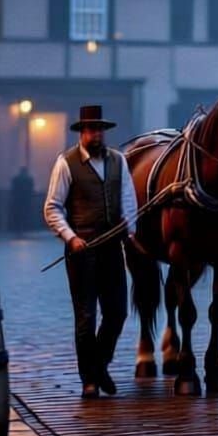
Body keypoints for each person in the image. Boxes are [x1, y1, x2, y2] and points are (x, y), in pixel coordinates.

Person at [44, 105, 137, 399]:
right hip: (82, 251)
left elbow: (129, 201)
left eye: (100, 129)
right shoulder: (66, 163)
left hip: (112, 248)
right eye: (91, 129)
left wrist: (129, 230)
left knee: (118, 313)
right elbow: (52, 207)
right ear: (81, 133)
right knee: (86, 316)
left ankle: (99, 365)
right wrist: (70, 238)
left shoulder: (118, 161)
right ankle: (89, 379)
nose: (96, 134)